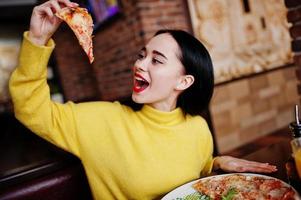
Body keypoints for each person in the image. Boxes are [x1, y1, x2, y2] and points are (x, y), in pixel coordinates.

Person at [9, 0, 277, 199]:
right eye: (142, 55)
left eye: (156, 60)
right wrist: (38, 39)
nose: (139, 64)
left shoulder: (197, 128)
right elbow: (30, 108)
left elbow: (194, 175)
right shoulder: (101, 120)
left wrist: (215, 163)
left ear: (183, 82)